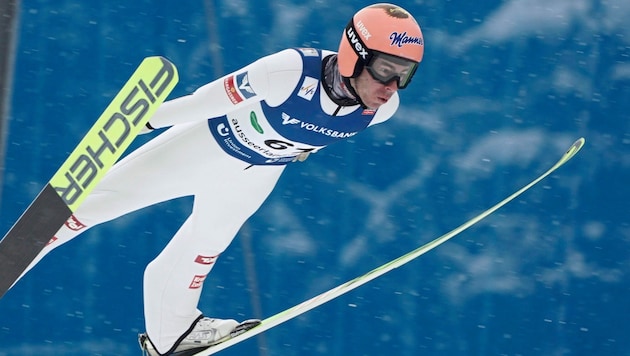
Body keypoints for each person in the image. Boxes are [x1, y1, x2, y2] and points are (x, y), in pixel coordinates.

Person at [17, 3, 424, 355]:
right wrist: (143, 121)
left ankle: (172, 335)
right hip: (208, 145)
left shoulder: (382, 110)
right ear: (354, 54)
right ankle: (17, 256)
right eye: (385, 69)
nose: (391, 87)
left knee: (204, 248)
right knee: (98, 205)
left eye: (404, 75)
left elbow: (313, 133)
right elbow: (202, 102)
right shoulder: (288, 71)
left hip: (258, 172)